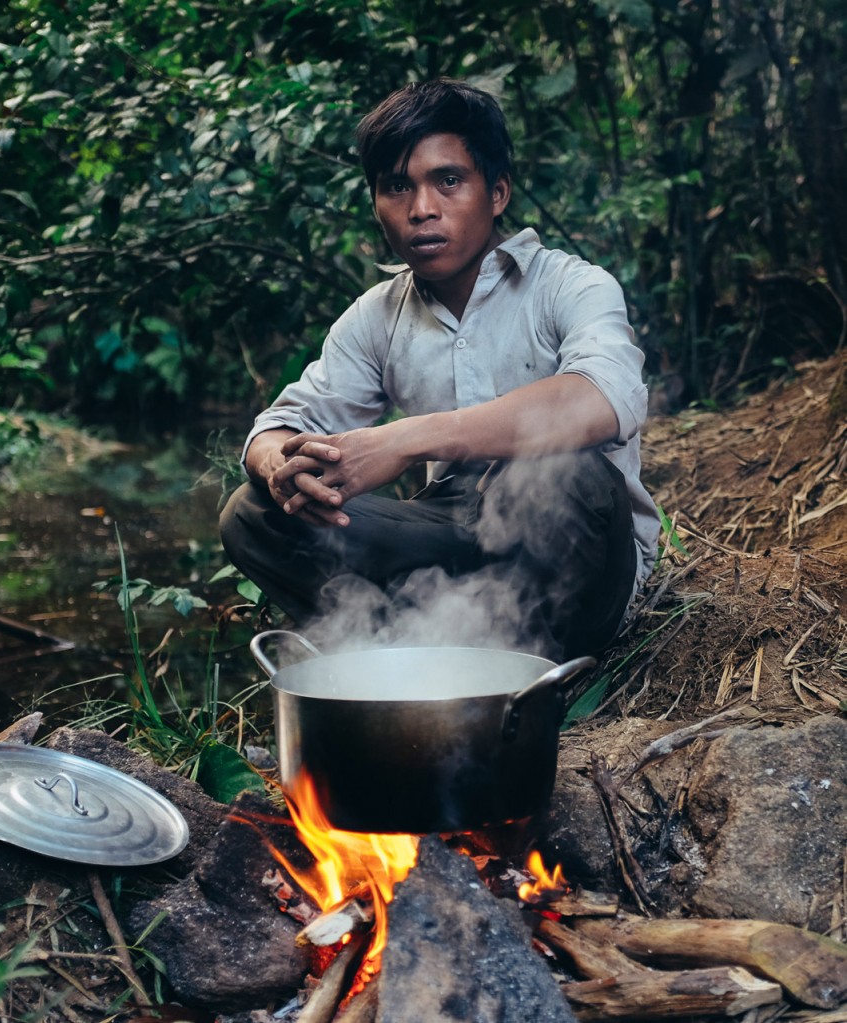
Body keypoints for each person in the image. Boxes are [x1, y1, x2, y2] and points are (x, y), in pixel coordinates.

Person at [220, 78, 660, 660]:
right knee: (254, 512)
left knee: (566, 473)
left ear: (497, 192)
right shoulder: (376, 317)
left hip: (578, 557)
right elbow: (276, 425)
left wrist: (403, 440)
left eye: (448, 181)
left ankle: (526, 668)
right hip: (450, 540)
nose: (422, 209)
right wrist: (285, 468)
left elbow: (600, 397)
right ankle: (409, 651)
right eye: (397, 187)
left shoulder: (570, 285)